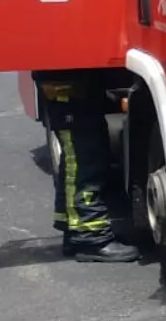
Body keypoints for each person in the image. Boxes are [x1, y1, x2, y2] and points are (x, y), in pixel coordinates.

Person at [38, 70, 139, 263]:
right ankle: (91, 238)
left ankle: (74, 230)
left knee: (75, 160)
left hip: (71, 84)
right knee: (84, 161)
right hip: (68, 85)